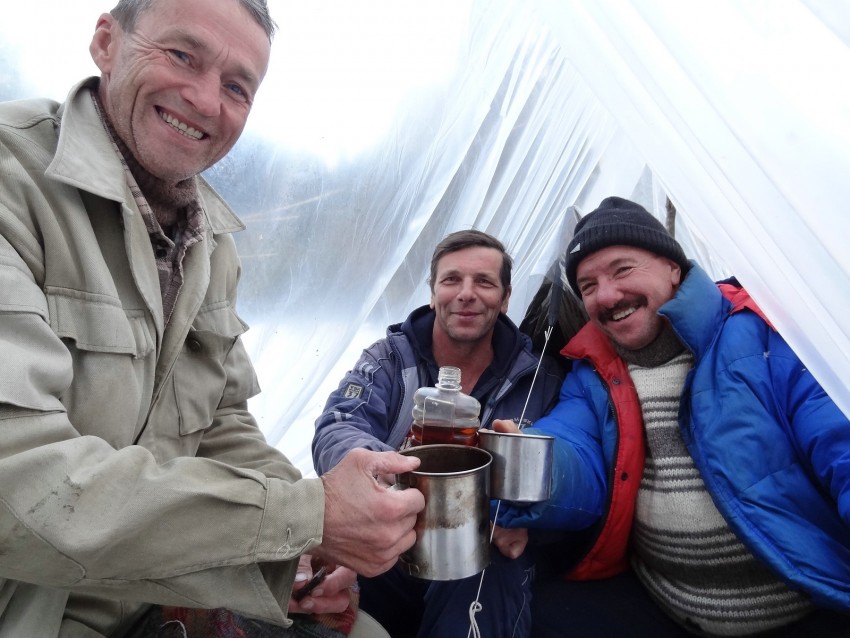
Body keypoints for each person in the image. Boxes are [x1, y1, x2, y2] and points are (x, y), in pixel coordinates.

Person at [0, 1, 425, 636]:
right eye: (181, 55)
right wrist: (304, 517)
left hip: (153, 596)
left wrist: (304, 551)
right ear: (106, 42)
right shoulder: (14, 186)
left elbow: (220, 423)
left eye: (236, 87)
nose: (204, 100)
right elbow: (19, 486)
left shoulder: (208, 243)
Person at [492, 196, 850, 637]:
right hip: (667, 604)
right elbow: (575, 448)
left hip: (802, 604)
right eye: (587, 286)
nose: (607, 295)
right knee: (541, 614)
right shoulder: (592, 372)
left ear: (673, 268)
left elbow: (838, 443)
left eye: (623, 270)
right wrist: (525, 466)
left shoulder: (761, 335)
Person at [312, 229, 564, 637]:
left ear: (505, 298)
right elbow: (339, 425)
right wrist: (389, 476)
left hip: (484, 548)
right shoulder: (390, 359)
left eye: (484, 282)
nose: (466, 294)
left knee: (493, 569)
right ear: (432, 293)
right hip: (395, 532)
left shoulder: (539, 378)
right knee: (331, 575)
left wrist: (523, 518)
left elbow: (563, 467)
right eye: (451, 280)